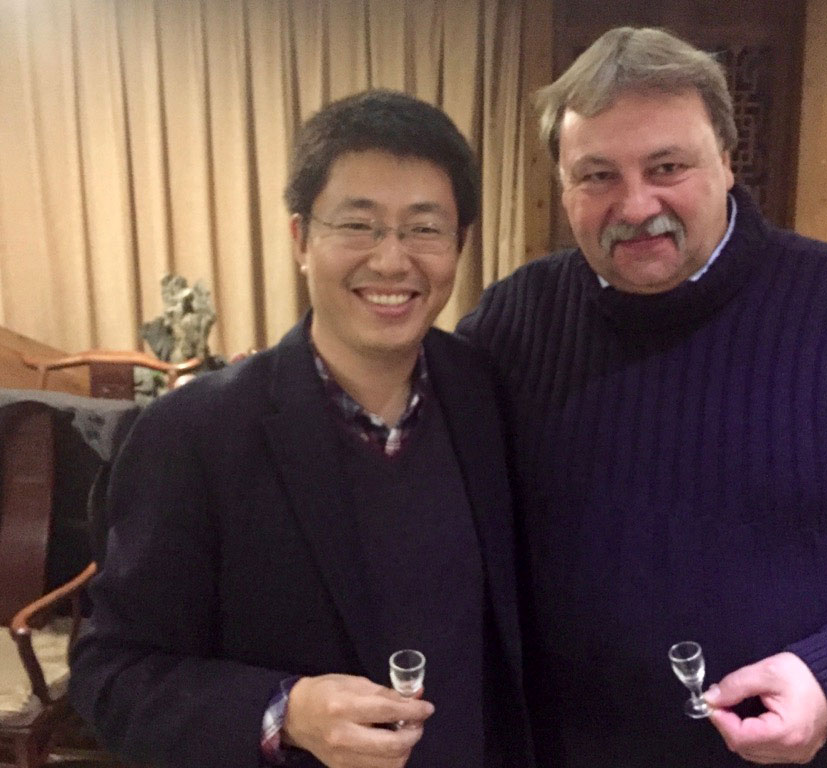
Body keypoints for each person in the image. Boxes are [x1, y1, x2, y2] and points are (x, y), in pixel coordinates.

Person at [457, 26, 827, 768]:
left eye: (667, 166)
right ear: (563, 186)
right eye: (596, 175)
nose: (635, 204)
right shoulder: (513, 322)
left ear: (727, 160)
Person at [71, 90, 532, 768]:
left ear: (459, 245)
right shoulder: (193, 435)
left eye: (424, 228)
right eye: (359, 225)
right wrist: (284, 712)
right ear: (300, 240)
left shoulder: (486, 395)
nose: (392, 260)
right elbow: (112, 673)